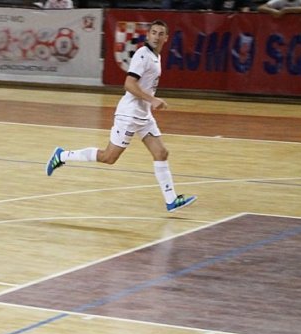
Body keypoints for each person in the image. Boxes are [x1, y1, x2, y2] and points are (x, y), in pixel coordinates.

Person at [45, 19, 197, 213]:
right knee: (108, 157)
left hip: (143, 115)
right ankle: (62, 155)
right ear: (148, 35)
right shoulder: (142, 55)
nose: (156, 37)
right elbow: (129, 84)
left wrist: (149, 103)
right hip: (129, 115)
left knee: (161, 153)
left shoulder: (155, 56)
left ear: (166, 38)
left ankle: (171, 200)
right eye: (153, 32)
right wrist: (152, 99)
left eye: (161, 34)